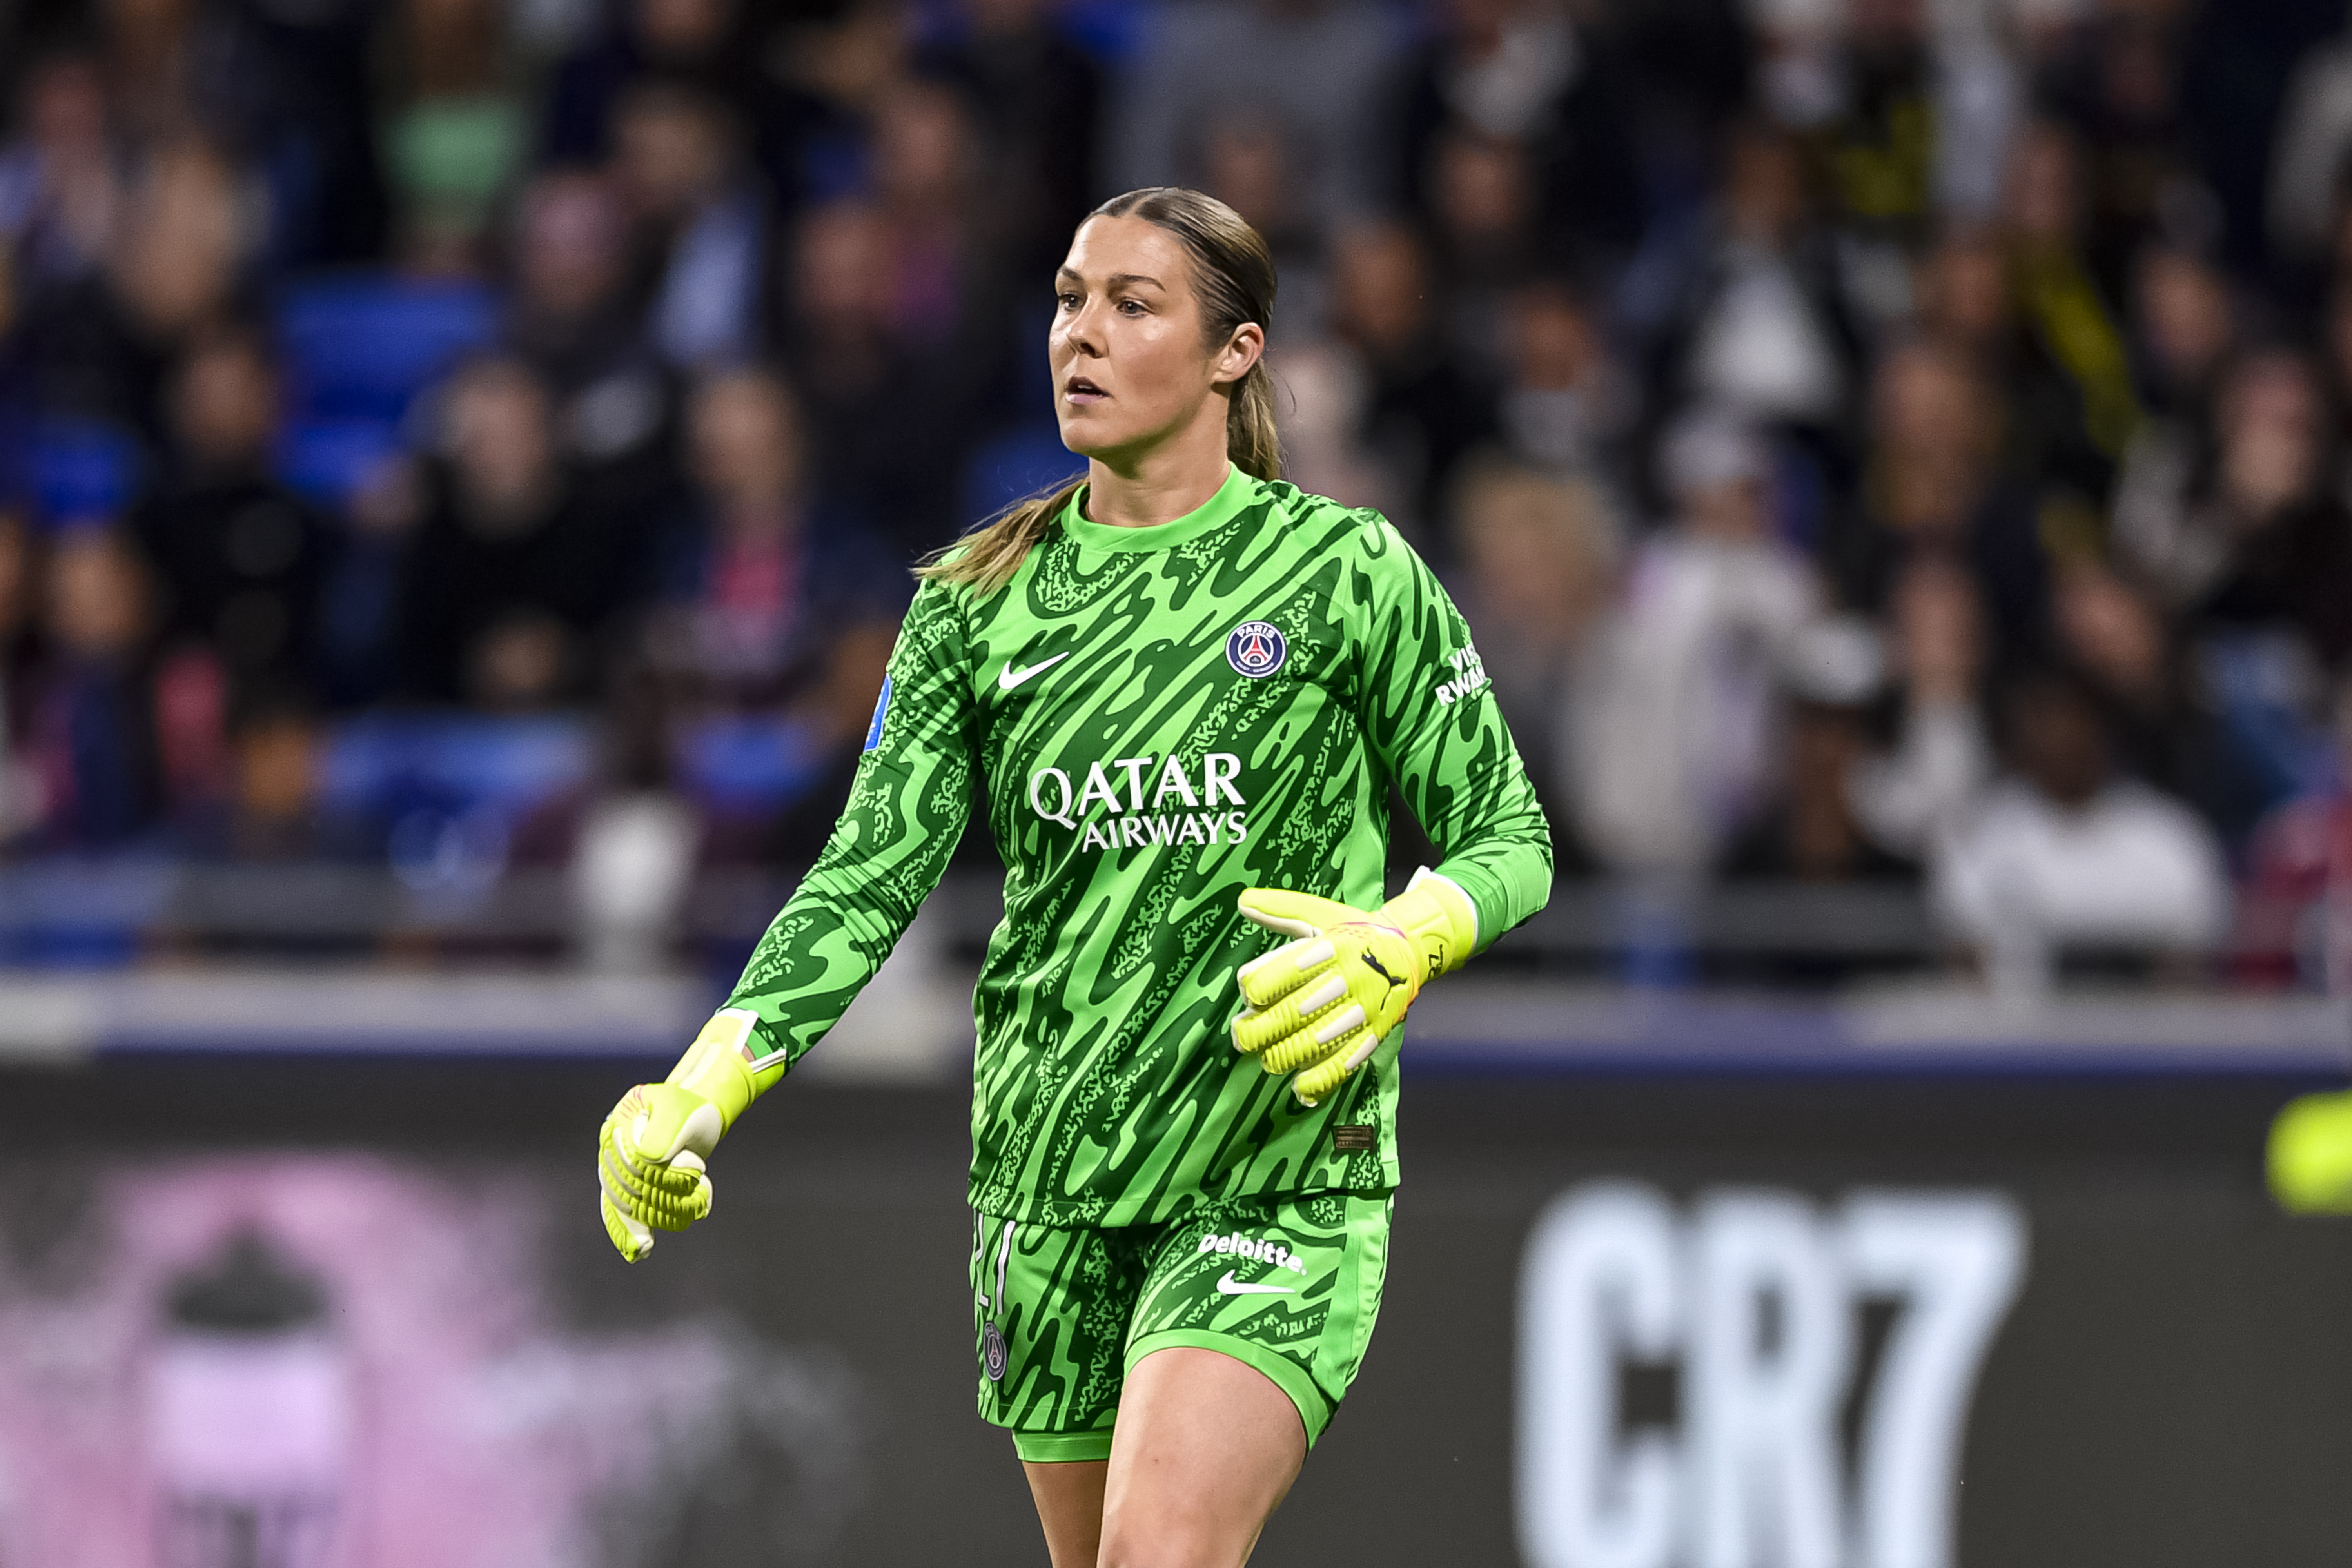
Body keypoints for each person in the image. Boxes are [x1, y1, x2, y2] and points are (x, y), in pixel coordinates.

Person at [592, 187, 1552, 1564]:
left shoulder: (1347, 576)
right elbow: (865, 878)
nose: (1079, 336)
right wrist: (702, 1084)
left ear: (1237, 352)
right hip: (1045, 1190)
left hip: (1274, 1180)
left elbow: (1509, 837)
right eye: (1065, 299)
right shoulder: (975, 600)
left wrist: (1406, 938)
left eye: (1130, 304)